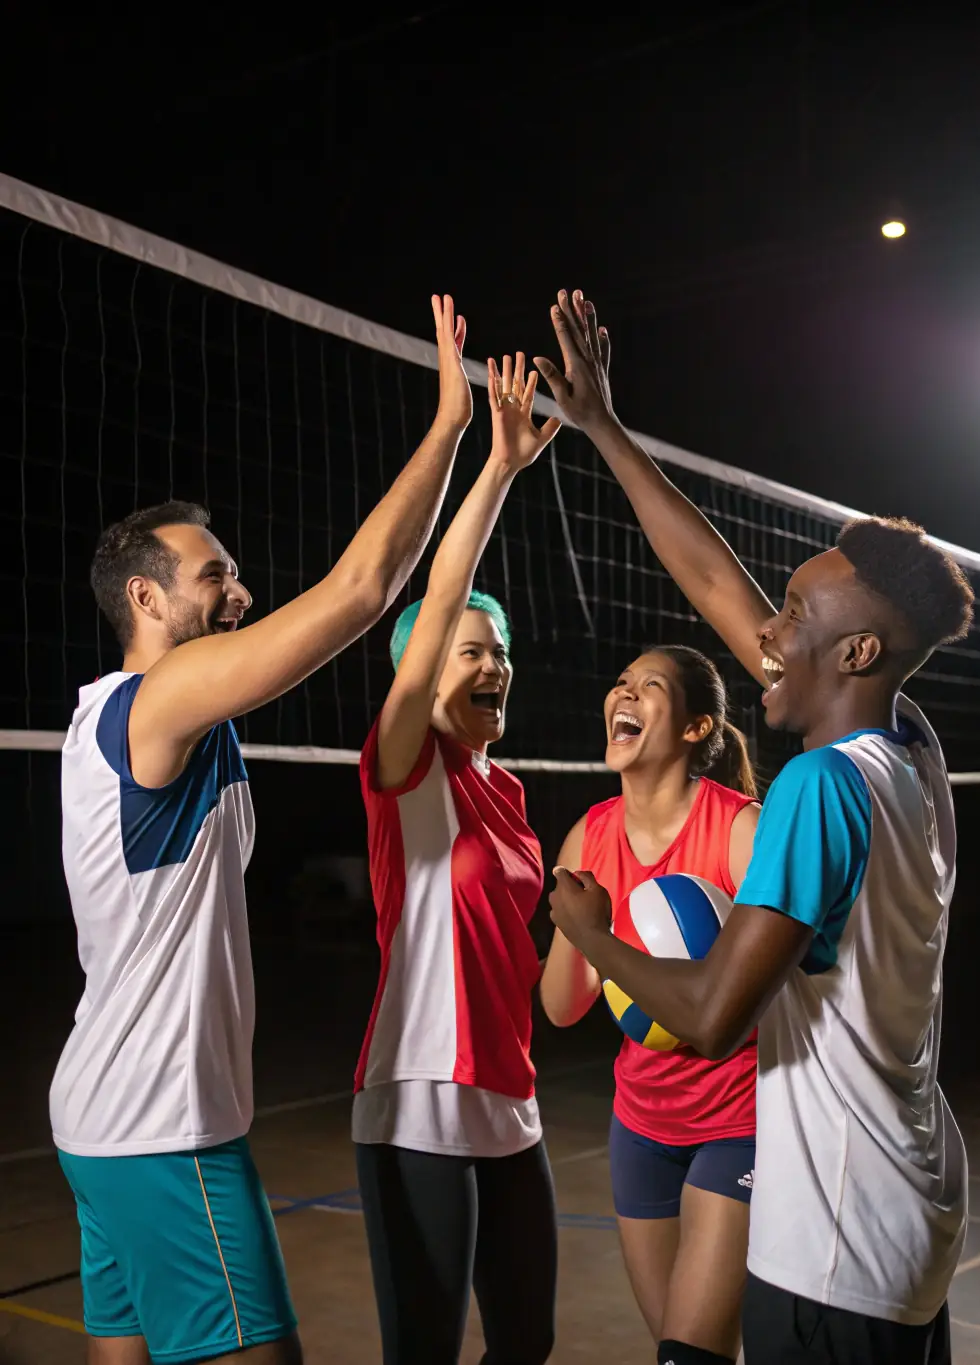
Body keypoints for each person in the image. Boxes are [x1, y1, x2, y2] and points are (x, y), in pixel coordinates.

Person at [538, 290, 971, 1365]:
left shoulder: (816, 790)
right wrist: (602, 429)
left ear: (856, 657)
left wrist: (589, 931)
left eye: (794, 617)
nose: (765, 634)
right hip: (906, 1206)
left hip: (833, 1237)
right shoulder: (908, 744)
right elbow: (713, 582)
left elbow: (713, 1013)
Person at [51, 295, 474, 1365]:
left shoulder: (136, 718)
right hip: (163, 1126)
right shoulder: (158, 697)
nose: (240, 592)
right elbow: (365, 589)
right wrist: (448, 427)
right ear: (146, 600)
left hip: (107, 1118)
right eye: (213, 577)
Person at [353, 351, 560, 1365]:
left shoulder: (512, 794)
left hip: (509, 1094)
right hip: (420, 1091)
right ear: (424, 677)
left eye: (499, 651)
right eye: (469, 652)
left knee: (527, 1342)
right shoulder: (407, 768)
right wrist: (498, 465)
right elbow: (437, 599)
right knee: (424, 1352)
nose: (493, 663)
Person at [540, 645, 760, 1363]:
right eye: (621, 681)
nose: (623, 693)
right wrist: (572, 936)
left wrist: (596, 936)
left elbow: (775, 995)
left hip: (740, 1120)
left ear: (697, 728)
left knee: (690, 1353)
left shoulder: (740, 830)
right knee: (680, 1349)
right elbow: (561, 1005)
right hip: (641, 1123)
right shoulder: (590, 835)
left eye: (649, 686)